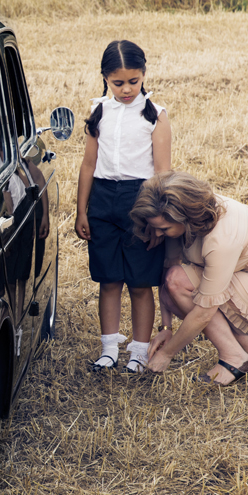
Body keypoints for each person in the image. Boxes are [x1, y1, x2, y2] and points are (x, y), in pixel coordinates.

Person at [130, 171, 248, 386]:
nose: (156, 235)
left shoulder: (221, 238)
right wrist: (166, 329)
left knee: (181, 284)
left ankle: (234, 357)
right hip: (244, 280)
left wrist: (166, 354)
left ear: (183, 216)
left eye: (162, 229)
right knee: (171, 287)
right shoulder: (187, 220)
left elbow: (203, 313)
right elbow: (169, 272)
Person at [76, 40, 172, 373]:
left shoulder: (155, 116)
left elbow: (162, 173)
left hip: (141, 200)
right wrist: (81, 210)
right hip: (102, 201)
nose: (127, 89)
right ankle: (109, 348)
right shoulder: (99, 111)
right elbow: (88, 165)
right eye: (118, 83)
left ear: (144, 75)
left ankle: (139, 351)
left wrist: (159, 219)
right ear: (105, 78)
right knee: (109, 280)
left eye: (134, 81)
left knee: (140, 282)